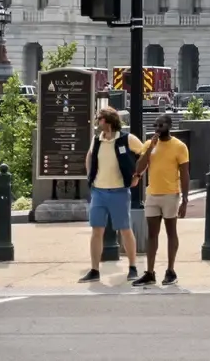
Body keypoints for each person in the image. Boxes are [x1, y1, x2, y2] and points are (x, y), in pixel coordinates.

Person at [79, 105, 143, 284]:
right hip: (98, 191)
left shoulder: (126, 139)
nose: (97, 122)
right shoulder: (97, 139)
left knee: (124, 229)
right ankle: (94, 269)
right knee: (96, 230)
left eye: (99, 119)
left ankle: (132, 267)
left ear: (107, 121)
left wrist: (137, 175)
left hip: (119, 191)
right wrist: (90, 176)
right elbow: (89, 156)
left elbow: (145, 154)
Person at [134, 114, 190, 285]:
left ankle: (170, 270)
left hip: (170, 195)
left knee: (171, 232)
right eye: (156, 125)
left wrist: (185, 200)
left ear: (169, 126)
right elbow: (139, 168)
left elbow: (185, 174)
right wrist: (150, 148)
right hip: (152, 194)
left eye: (161, 125)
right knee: (152, 234)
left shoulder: (179, 146)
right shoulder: (149, 144)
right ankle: (150, 272)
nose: (158, 129)